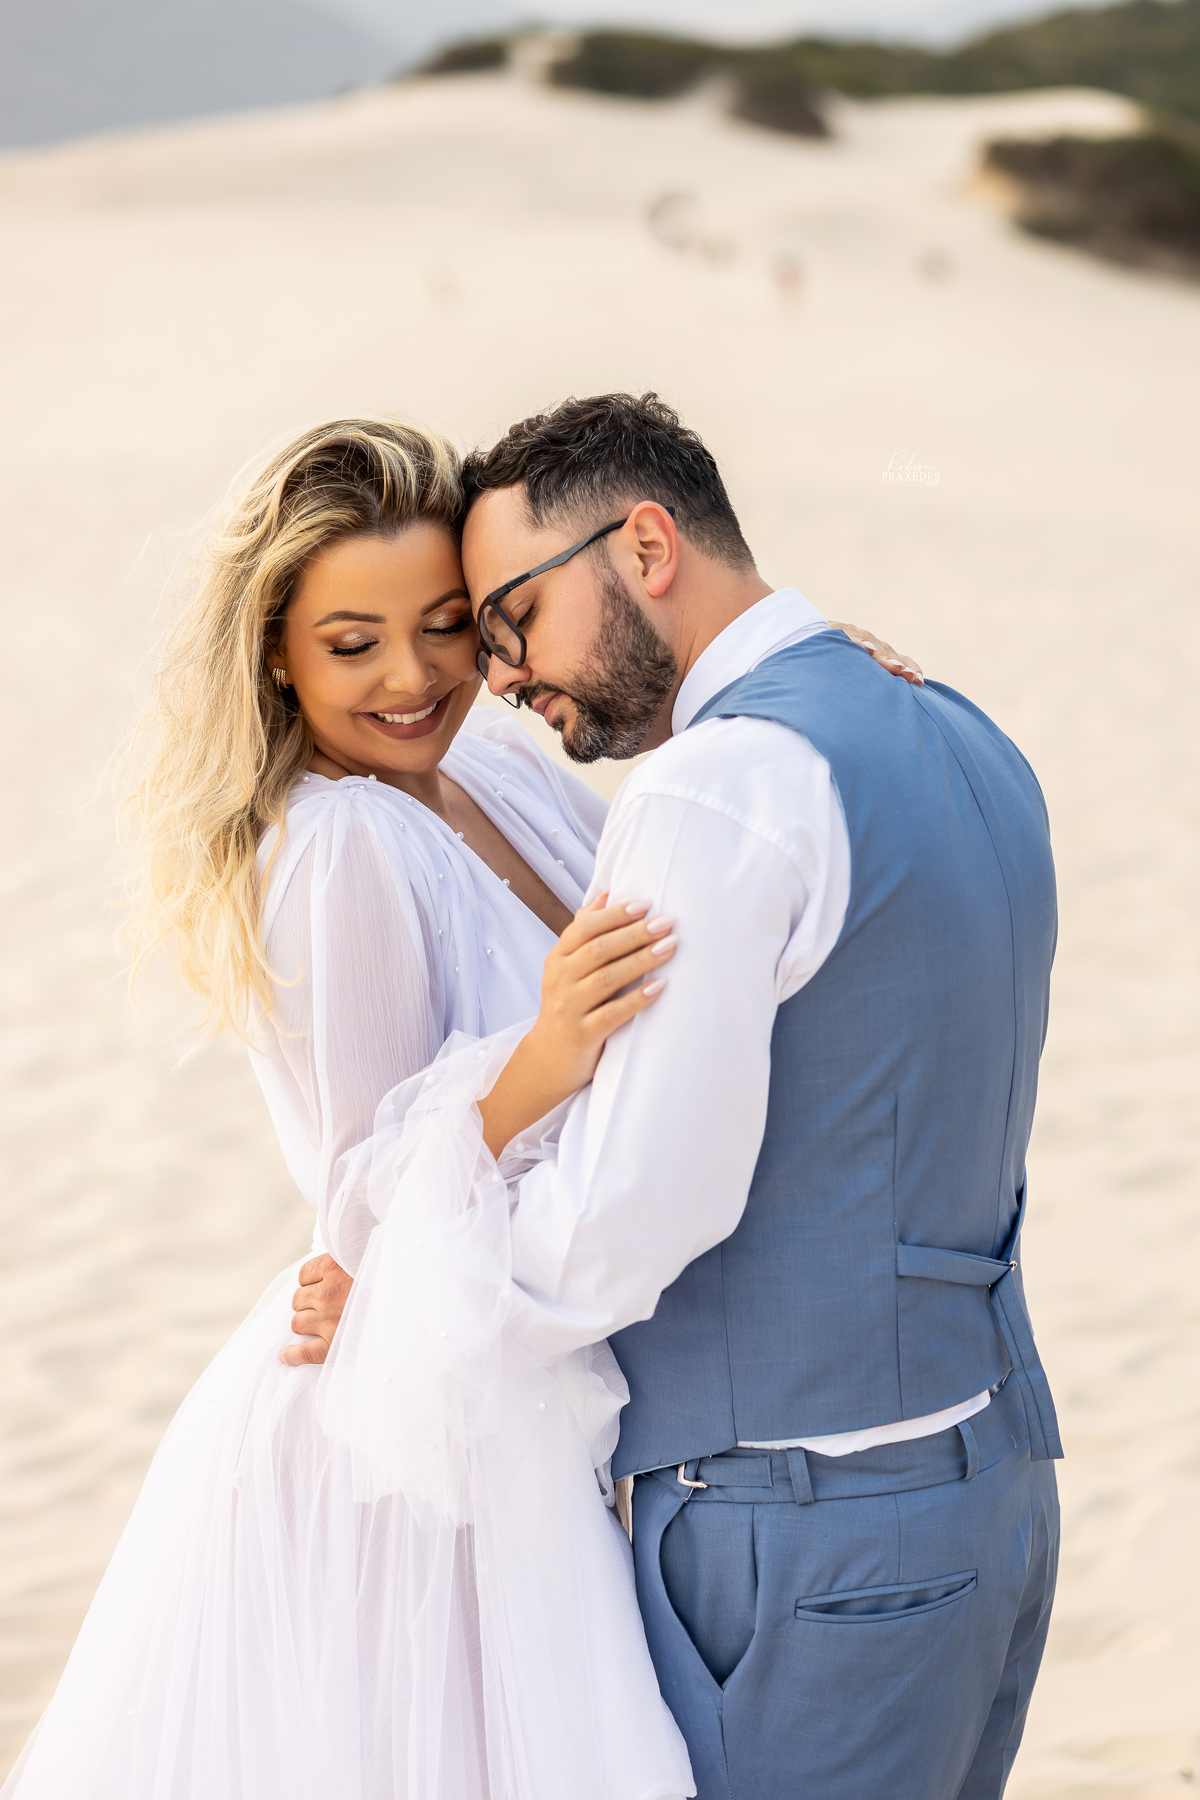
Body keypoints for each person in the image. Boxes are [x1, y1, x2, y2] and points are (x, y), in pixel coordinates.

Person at [313, 392, 1061, 1800]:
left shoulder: (713, 793)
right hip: (994, 1493)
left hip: (802, 1536)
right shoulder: (953, 725)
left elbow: (625, 1220)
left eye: (508, 621)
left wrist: (409, 1290)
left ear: (644, 544)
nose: (506, 678)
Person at [0, 418, 697, 1800]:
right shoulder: (341, 843)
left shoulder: (485, 766)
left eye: (446, 625)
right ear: (277, 651)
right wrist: (549, 1055)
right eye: (352, 642)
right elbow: (368, 1194)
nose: (412, 675)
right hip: (417, 1438)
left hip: (512, 1375)